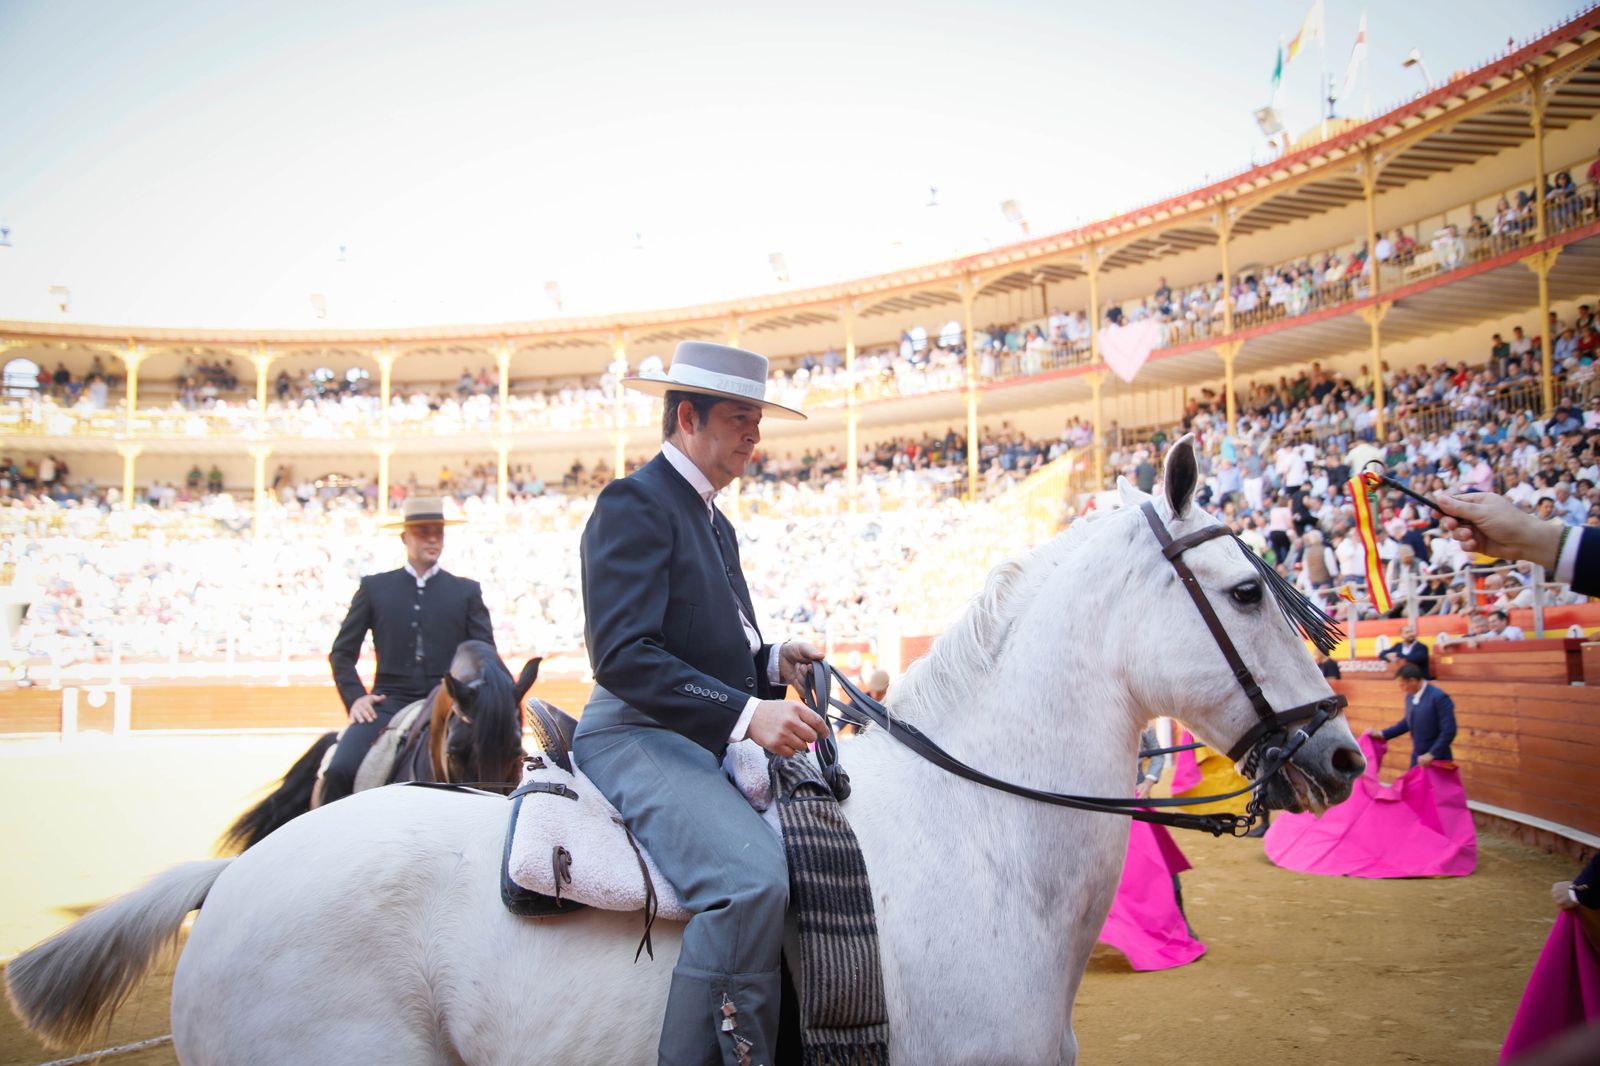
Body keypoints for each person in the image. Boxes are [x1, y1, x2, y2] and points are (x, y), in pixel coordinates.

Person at [573, 341, 827, 1066]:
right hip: (635, 736)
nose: (755, 433)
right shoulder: (634, 501)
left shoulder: (716, 521)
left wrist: (775, 662)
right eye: (741, 416)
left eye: (757, 418)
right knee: (748, 884)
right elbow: (623, 655)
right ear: (688, 417)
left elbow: (715, 657)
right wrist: (749, 715)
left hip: (693, 737)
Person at [324, 497, 494, 805]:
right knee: (339, 769)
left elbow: (485, 657)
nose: (432, 538)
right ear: (405, 538)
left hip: (449, 704)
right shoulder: (374, 588)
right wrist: (355, 698)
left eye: (438, 532)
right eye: (423, 531)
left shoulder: (466, 591)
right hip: (387, 702)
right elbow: (342, 654)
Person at [1368, 663, 1456, 768]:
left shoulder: (1439, 697)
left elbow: (1449, 730)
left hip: (1438, 758)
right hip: (1418, 757)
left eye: (1403, 685)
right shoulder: (1410, 696)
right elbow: (1407, 723)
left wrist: (1432, 754)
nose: (1402, 688)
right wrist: (1382, 734)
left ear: (1413, 681)